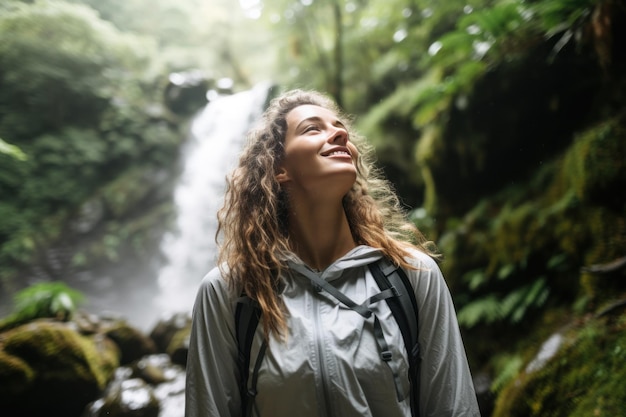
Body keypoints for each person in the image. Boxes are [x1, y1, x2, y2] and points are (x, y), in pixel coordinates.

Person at [185, 89, 480, 417]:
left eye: (340, 128)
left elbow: (454, 409)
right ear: (279, 168)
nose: (340, 133)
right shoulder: (230, 293)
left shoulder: (411, 275)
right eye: (313, 129)